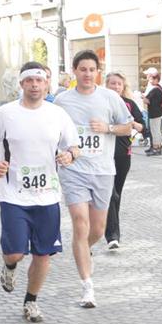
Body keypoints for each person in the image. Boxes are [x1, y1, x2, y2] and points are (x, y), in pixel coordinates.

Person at [0, 61, 80, 323]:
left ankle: (31, 301)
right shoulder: (5, 113)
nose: (35, 85)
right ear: (22, 84)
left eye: (39, 80)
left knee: (42, 253)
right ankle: (10, 265)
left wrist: (70, 155)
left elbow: (74, 146)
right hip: (13, 195)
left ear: (46, 84)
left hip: (48, 195)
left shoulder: (57, 114)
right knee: (15, 252)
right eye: (29, 81)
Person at [53, 50, 133, 308]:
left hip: (103, 170)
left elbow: (128, 126)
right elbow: (52, 132)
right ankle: (87, 286)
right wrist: (59, 153)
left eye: (91, 69)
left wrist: (107, 128)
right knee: (80, 223)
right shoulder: (62, 101)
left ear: (98, 72)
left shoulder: (110, 97)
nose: (87, 74)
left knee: (97, 229)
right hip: (74, 170)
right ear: (74, 72)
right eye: (82, 69)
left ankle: (83, 251)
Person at [102, 71, 144, 250]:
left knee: (116, 195)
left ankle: (111, 228)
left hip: (123, 154)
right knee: (110, 194)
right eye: (112, 83)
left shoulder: (129, 104)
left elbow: (143, 127)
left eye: (119, 84)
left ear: (123, 86)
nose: (116, 87)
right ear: (106, 85)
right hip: (103, 154)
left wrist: (132, 124)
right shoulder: (100, 102)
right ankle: (112, 235)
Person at [142, 67, 162, 155]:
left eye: (151, 78)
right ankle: (157, 148)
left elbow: (147, 100)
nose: (149, 80)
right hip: (158, 112)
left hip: (154, 113)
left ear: (156, 79)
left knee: (155, 131)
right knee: (157, 131)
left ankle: (156, 149)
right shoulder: (159, 88)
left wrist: (142, 97)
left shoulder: (154, 89)